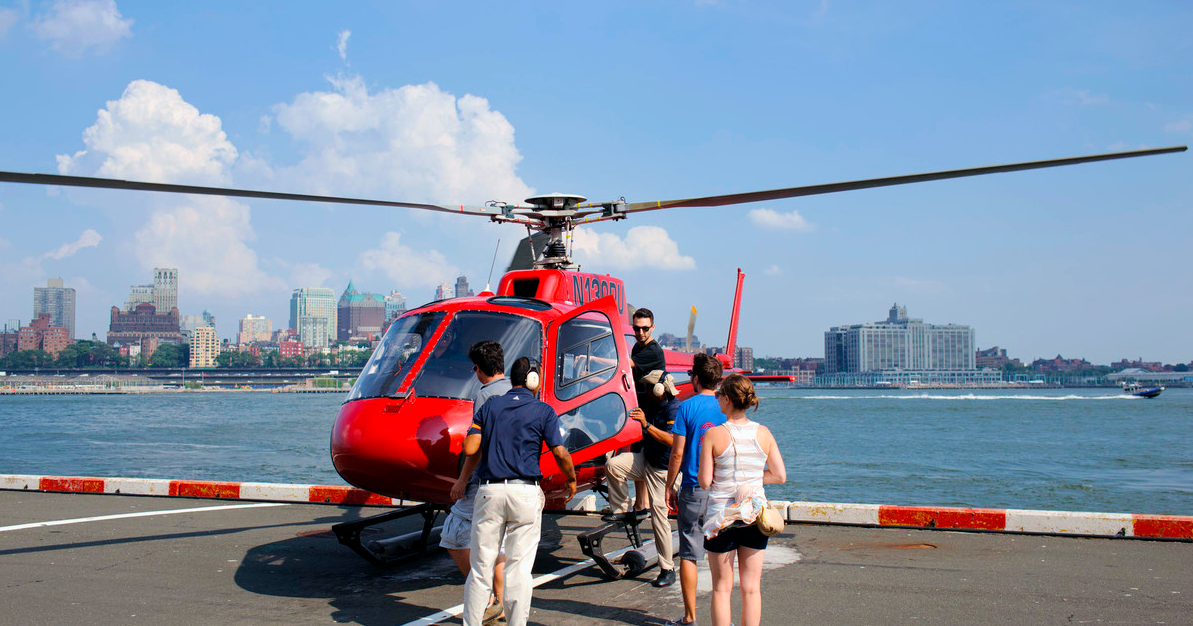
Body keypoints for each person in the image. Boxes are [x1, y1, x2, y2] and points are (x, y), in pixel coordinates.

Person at [462, 357, 577, 626]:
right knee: (519, 570)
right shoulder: (543, 410)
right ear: (534, 380)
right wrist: (571, 479)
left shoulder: (489, 406)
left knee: (480, 570)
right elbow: (560, 452)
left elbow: (470, 448)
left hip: (490, 492)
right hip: (525, 493)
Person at [698, 374, 786, 626]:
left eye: (719, 396)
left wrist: (727, 480)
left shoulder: (714, 435)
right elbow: (779, 475)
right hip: (755, 514)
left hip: (722, 518)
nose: (717, 399)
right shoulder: (764, 433)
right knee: (751, 588)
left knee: (721, 589)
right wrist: (753, 480)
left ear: (726, 399)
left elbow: (705, 481)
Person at [444, 340, 512, 623]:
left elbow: (476, 446)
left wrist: (461, 480)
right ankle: (502, 605)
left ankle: (485, 597)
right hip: (514, 481)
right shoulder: (516, 389)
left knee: (454, 534)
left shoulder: (485, 396)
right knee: (499, 546)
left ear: (479, 369)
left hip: (486, 480)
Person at [602, 369, 680, 587]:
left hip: (662, 471)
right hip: (646, 459)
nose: (644, 391)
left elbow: (671, 440)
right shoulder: (648, 398)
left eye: (648, 387)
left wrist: (645, 424)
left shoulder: (675, 409)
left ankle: (667, 568)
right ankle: (622, 510)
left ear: (659, 390)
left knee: (659, 517)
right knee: (614, 466)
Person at [662, 353, 725, 626]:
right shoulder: (726, 408)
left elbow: (677, 453)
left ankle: (690, 618)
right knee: (722, 555)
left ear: (695, 379)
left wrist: (668, 486)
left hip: (692, 487)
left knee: (689, 554)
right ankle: (722, 618)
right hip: (722, 490)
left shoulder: (686, 408)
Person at [629, 307, 665, 514]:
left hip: (653, 410)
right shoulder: (637, 347)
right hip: (640, 406)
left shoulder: (653, 350)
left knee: (651, 458)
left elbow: (626, 364)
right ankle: (641, 503)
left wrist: (593, 361)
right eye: (636, 328)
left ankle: (652, 503)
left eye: (645, 328)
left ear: (653, 327)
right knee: (636, 455)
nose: (640, 333)